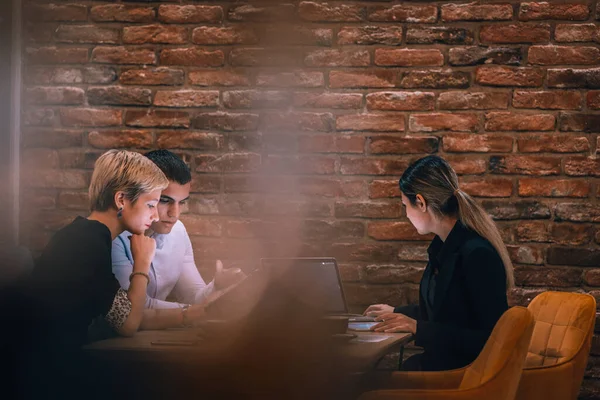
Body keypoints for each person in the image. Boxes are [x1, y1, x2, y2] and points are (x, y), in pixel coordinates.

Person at [17, 149, 169, 397]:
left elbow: (113, 312)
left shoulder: (83, 233)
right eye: (151, 205)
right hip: (45, 380)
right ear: (121, 200)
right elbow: (129, 323)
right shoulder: (89, 242)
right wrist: (142, 265)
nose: (155, 215)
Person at [364, 155, 513, 372]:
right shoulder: (445, 247)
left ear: (421, 203)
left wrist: (418, 328)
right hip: (443, 367)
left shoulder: (476, 254)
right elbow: (448, 311)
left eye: (405, 205)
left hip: (461, 378)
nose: (406, 214)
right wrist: (397, 311)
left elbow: (492, 338)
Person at [112, 149, 244, 330]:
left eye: (181, 202)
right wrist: (200, 311)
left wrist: (216, 287)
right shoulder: (115, 237)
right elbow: (133, 308)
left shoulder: (178, 231)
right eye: (164, 200)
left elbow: (194, 297)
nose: (175, 214)